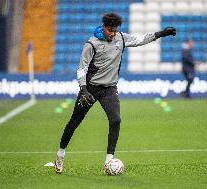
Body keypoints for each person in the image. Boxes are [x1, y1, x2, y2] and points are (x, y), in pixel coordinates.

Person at [54, 12, 176, 174]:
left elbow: (140, 40)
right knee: (74, 122)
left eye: (115, 30)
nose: (113, 33)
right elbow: (82, 69)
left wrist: (161, 34)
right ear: (104, 27)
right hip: (90, 89)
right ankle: (60, 154)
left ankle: (108, 161)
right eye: (110, 30)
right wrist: (83, 89)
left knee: (116, 120)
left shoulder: (121, 38)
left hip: (109, 89)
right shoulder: (91, 44)